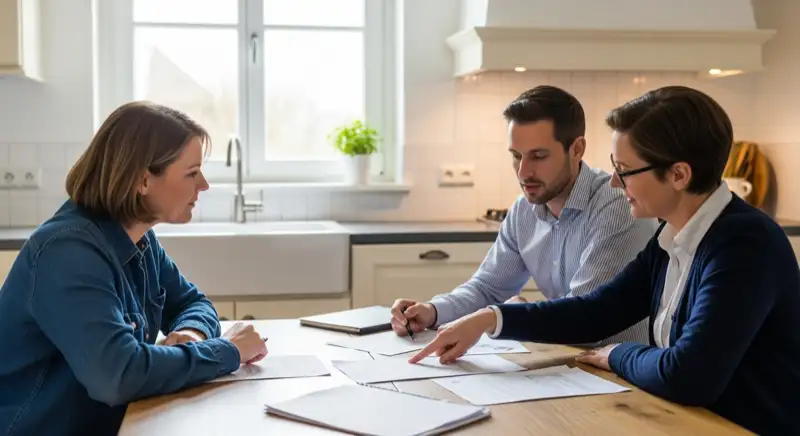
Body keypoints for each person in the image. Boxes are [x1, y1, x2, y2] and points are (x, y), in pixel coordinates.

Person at [408, 86, 800, 436]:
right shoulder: (671, 238)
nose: (614, 181)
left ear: (678, 175)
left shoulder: (744, 244)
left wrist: (617, 354)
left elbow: (689, 376)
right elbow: (597, 311)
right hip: (686, 420)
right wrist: (491, 319)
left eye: (625, 171)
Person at [0, 102, 268, 436]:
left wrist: (192, 334)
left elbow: (192, 303)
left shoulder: (139, 238)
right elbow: (118, 376)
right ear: (143, 180)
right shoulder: (67, 252)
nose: (203, 184)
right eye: (191, 173)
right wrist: (228, 351)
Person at [391, 85, 657, 345]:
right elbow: (488, 288)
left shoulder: (617, 206)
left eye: (538, 156)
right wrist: (432, 311)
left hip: (618, 366)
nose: (523, 172)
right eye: (516, 156)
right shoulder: (523, 211)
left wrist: (507, 316)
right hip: (565, 359)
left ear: (577, 149)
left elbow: (586, 317)